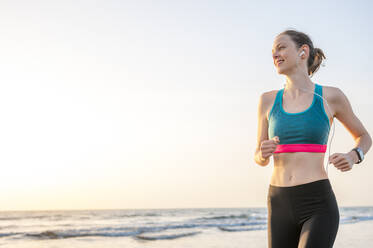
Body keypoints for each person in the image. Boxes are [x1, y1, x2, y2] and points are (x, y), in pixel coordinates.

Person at [254, 29, 372, 248]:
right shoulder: (267, 100)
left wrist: (354, 156)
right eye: (272, 51)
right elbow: (258, 157)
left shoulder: (330, 97)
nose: (274, 55)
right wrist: (262, 153)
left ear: (303, 51)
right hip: (278, 201)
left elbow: (364, 137)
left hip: (317, 202)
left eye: (281, 47)